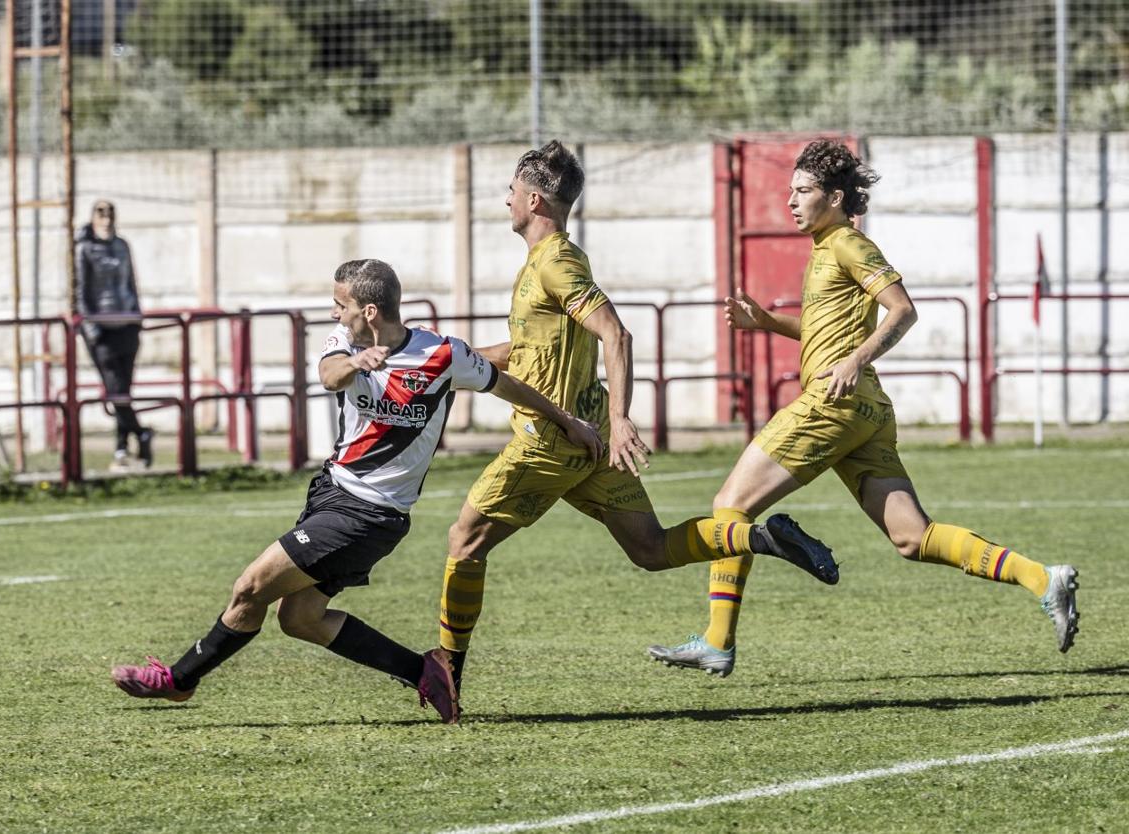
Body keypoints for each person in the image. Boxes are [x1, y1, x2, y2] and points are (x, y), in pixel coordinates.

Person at [648, 139, 1080, 675]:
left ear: (833, 197)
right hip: (866, 412)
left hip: (833, 404)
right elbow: (821, 331)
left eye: (803, 191)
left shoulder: (849, 245)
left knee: (730, 507)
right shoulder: (825, 249)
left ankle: (718, 639)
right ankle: (1043, 578)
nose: (791, 201)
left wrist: (855, 359)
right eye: (790, 191)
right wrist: (768, 323)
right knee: (912, 537)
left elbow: (902, 311)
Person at [111, 259, 607, 723]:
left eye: (342, 305)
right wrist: (356, 363)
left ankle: (179, 679)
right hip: (330, 493)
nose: (335, 312)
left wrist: (569, 423)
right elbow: (328, 375)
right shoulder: (343, 341)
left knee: (250, 588)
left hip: (371, 515)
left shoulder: (442, 354)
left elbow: (505, 384)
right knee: (301, 618)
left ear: (369, 310)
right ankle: (424, 671)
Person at [435, 140, 841, 702]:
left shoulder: (555, 260)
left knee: (464, 540)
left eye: (510, 191)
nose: (505, 200)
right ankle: (763, 537)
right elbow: (530, 347)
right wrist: (451, 362)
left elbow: (615, 333)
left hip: (551, 441)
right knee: (650, 549)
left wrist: (623, 418)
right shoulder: (545, 263)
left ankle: (446, 675)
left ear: (533, 198)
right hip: (589, 440)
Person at [75, 199, 153, 470]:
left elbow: (132, 284)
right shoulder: (84, 249)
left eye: (110, 213)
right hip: (102, 330)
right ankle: (141, 434)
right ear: (92, 217)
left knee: (124, 392)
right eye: (100, 213)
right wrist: (91, 328)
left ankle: (122, 449)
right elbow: (81, 291)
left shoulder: (122, 246)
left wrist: (137, 318)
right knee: (114, 390)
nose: (106, 218)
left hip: (127, 325)